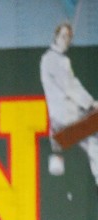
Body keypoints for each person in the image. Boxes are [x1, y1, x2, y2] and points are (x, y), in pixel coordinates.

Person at [40, 21, 98, 184]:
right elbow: (70, 87)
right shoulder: (54, 60)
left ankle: (57, 156)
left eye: (68, 37)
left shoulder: (54, 59)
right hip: (66, 118)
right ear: (56, 37)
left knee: (92, 142)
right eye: (63, 36)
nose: (65, 40)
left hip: (60, 122)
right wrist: (91, 104)